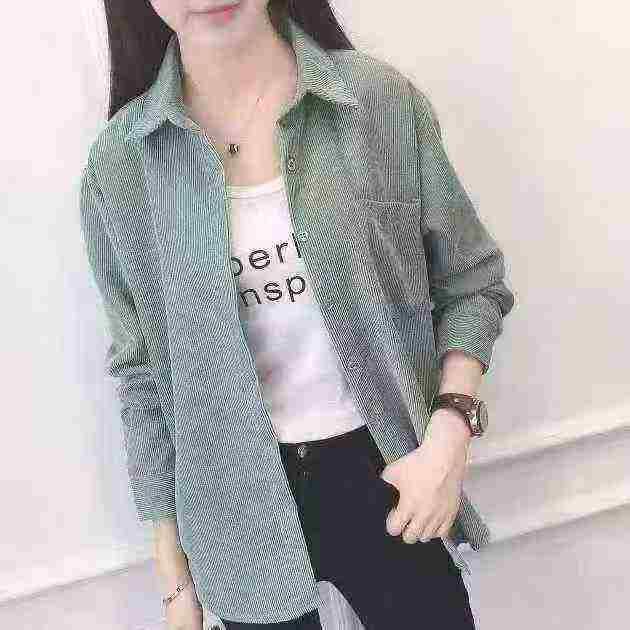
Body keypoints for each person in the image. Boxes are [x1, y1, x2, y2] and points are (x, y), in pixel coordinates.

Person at [79, 1, 515, 629]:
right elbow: (144, 380)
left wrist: (449, 437)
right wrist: (175, 583)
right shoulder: (120, 166)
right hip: (235, 509)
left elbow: (472, 282)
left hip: (390, 473)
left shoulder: (375, 103)